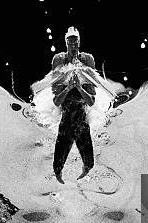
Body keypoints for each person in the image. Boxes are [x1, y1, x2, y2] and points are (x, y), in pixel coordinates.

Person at [51, 26, 97, 184]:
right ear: (65, 42)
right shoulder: (59, 60)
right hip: (66, 114)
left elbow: (91, 101)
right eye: (69, 40)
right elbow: (56, 101)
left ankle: (85, 169)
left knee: (89, 162)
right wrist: (69, 87)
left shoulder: (87, 60)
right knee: (57, 163)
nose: (72, 43)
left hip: (81, 115)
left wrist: (78, 87)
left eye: (75, 40)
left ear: (79, 42)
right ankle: (59, 172)